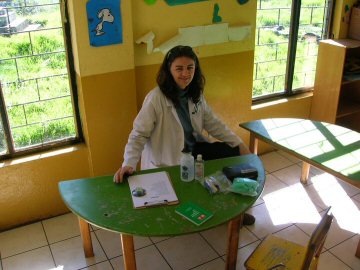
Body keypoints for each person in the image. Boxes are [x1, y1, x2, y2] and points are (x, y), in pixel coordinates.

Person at [113, 45, 255, 225]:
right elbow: (138, 135)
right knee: (181, 194)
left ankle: (235, 214)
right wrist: (128, 163)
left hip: (193, 150)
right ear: (169, 70)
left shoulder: (195, 93)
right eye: (179, 68)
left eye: (190, 68)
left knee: (234, 153)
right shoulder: (155, 98)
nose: (185, 74)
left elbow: (213, 123)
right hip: (169, 159)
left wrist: (239, 144)